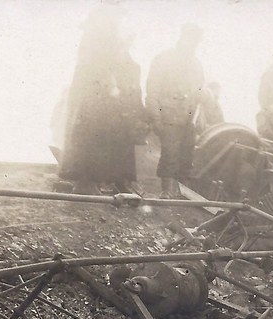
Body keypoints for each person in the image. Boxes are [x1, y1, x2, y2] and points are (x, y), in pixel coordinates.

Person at [58, 8, 144, 194]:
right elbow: (99, 66)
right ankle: (86, 182)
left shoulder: (107, 38)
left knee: (106, 136)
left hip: (102, 97)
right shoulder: (97, 37)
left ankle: (104, 180)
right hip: (95, 97)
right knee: (92, 136)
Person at [146, 24, 204, 198]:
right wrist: (155, 117)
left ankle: (179, 191)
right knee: (170, 153)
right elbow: (153, 89)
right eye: (189, 39)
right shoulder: (164, 59)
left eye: (195, 41)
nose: (191, 44)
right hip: (168, 115)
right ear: (181, 38)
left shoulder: (196, 64)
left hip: (188, 117)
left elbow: (199, 92)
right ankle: (166, 191)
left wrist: (198, 115)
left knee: (186, 154)